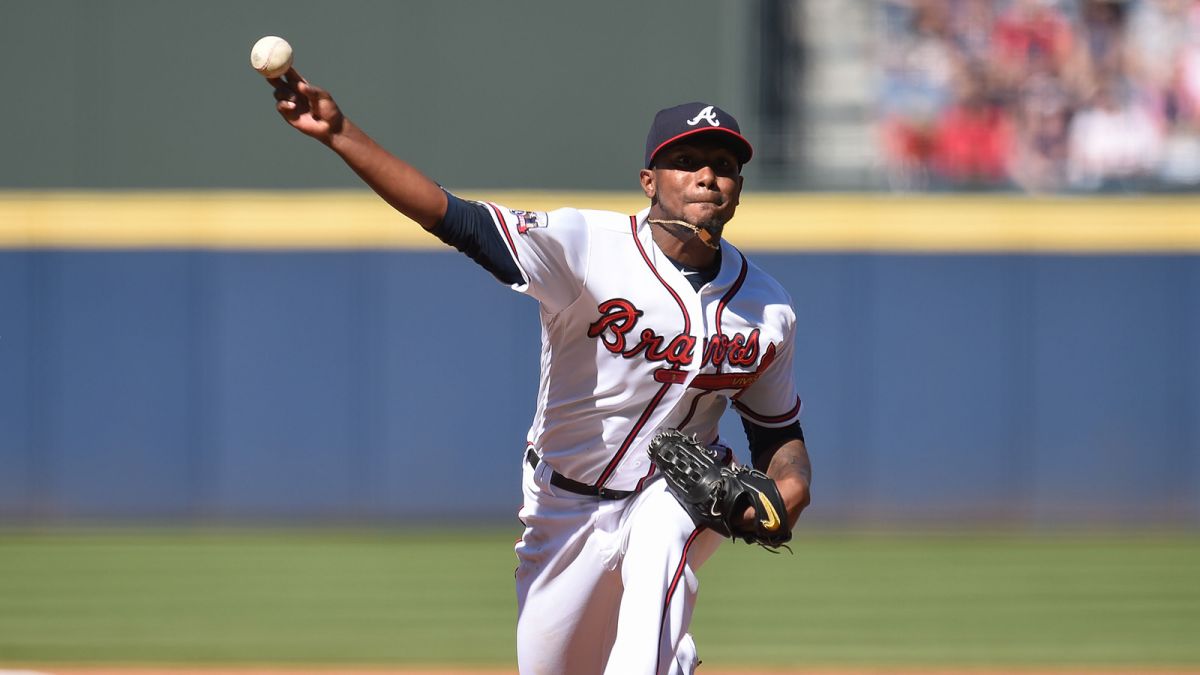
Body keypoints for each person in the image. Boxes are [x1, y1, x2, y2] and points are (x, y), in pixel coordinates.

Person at [264, 67, 812, 675]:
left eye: (723, 165)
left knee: (663, 531)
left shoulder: (768, 308)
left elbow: (778, 435)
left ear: (739, 187)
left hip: (679, 491)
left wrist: (789, 491)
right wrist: (341, 133)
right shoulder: (586, 244)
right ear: (648, 181)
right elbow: (457, 219)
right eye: (686, 161)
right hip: (563, 505)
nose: (707, 175)